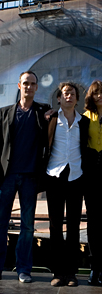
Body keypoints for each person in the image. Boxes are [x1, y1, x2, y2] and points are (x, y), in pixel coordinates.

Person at [0, 71, 50, 282]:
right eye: (25, 83)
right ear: (19, 85)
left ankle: (23, 269)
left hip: (30, 177)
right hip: (7, 176)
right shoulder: (4, 112)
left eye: (32, 84)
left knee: (27, 226)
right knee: (0, 224)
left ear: (37, 87)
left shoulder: (43, 111)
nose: (29, 87)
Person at [45, 82, 89, 287]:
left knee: (73, 227)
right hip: (54, 176)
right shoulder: (50, 118)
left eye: (72, 94)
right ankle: (57, 272)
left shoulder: (84, 122)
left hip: (76, 177)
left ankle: (71, 273)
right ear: (59, 99)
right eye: (65, 94)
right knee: (55, 227)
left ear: (77, 99)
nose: (69, 96)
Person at [83, 80, 102, 286]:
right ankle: (94, 269)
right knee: (94, 223)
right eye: (96, 93)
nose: (99, 96)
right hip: (92, 175)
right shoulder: (86, 117)